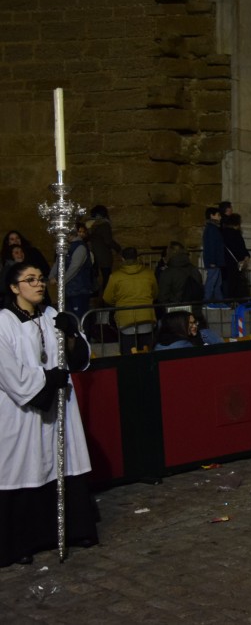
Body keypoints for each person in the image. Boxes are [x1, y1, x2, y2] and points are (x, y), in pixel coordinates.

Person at [0, 262, 98, 567]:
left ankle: (73, 530)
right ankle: (20, 543)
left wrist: (71, 334)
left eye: (41, 279)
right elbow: (8, 371)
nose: (39, 284)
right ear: (14, 287)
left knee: (62, 461)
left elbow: (79, 357)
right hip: (23, 410)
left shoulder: (52, 315)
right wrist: (47, 380)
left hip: (60, 407)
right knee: (23, 467)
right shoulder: (3, 323)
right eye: (30, 280)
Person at [102, 247, 159, 355]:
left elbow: (107, 298)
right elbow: (155, 294)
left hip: (125, 321)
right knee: (148, 353)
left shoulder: (115, 277)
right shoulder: (149, 273)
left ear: (122, 259)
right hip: (147, 317)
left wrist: (118, 303)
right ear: (137, 257)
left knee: (128, 355)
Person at [50, 221, 94, 323]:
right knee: (69, 319)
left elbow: (75, 267)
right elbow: (58, 262)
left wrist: (59, 280)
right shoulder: (65, 247)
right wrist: (51, 276)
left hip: (78, 289)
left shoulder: (80, 247)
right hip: (67, 290)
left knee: (78, 320)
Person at [86, 206, 119, 290]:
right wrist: (118, 248)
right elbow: (108, 241)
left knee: (94, 277)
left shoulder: (89, 225)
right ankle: (106, 300)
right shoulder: (104, 225)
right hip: (104, 255)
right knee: (107, 278)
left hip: (93, 255)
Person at [222, 213, 250, 299]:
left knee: (226, 282)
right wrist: (245, 256)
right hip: (235, 262)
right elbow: (240, 247)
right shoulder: (236, 234)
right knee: (235, 282)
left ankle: (227, 300)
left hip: (224, 261)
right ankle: (235, 300)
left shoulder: (222, 232)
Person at [201, 207, 225, 302]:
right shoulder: (212, 229)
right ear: (212, 215)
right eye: (218, 215)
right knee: (212, 282)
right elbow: (211, 245)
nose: (220, 217)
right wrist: (212, 261)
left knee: (217, 283)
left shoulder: (213, 228)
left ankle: (219, 301)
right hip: (214, 261)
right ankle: (206, 301)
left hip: (216, 261)